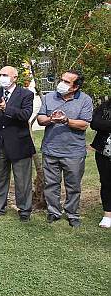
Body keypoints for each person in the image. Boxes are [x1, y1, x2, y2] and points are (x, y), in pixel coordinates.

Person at [37, 70, 93, 227]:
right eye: (61, 80)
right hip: (50, 150)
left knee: (73, 185)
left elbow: (84, 125)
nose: (61, 83)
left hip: (73, 152)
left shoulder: (85, 100)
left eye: (67, 82)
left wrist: (66, 120)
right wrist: (51, 119)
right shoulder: (49, 97)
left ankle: (72, 214)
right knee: (51, 184)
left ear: (75, 87)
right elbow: (41, 119)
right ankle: (54, 212)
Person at [0, 66, 35, 222]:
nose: (1, 77)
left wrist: (7, 108)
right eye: (0, 74)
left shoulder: (26, 94)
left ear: (15, 77)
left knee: (22, 180)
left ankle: (24, 210)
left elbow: (25, 114)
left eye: (5, 75)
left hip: (19, 144)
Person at [91, 98, 111, 228]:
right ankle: (108, 215)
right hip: (105, 152)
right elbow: (95, 123)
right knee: (106, 182)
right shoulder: (106, 106)